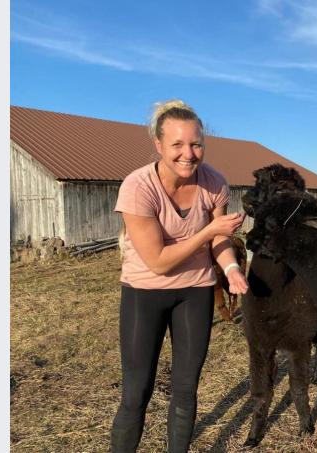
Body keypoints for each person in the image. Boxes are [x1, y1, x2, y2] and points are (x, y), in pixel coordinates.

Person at [110, 100, 248, 452]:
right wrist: (208, 231)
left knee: (186, 390)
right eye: (177, 144)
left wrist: (231, 268)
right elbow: (158, 261)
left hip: (195, 291)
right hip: (144, 291)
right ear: (158, 145)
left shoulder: (214, 182)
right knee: (136, 392)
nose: (188, 154)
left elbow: (219, 240)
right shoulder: (137, 187)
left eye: (196, 144)